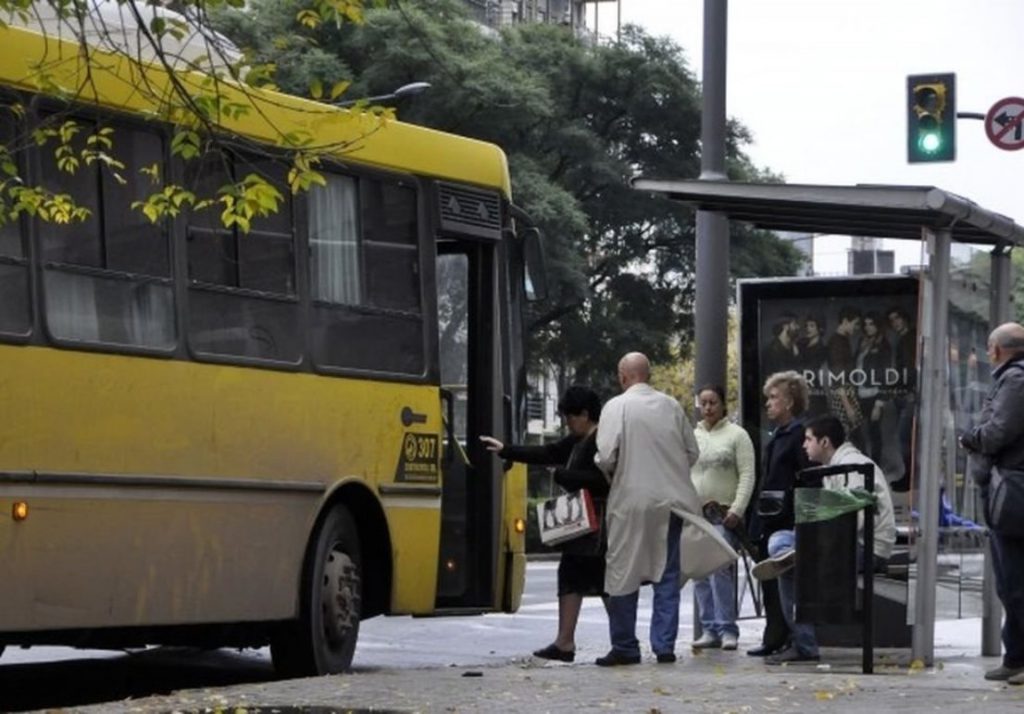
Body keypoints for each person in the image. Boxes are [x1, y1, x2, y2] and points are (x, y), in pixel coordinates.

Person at [752, 415, 896, 664]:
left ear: (825, 442)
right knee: (779, 541)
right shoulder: (835, 467)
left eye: (808, 439)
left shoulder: (852, 466)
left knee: (785, 563)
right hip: (845, 541)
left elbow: (854, 520)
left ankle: (804, 645)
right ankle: (793, 554)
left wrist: (815, 541)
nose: (804, 445)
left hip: (865, 548)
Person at [480, 385, 608, 663]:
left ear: (585, 414)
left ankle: (611, 642)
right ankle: (569, 641)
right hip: (582, 525)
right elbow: (547, 452)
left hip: (598, 523)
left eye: (570, 417)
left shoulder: (602, 440)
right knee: (579, 577)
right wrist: (507, 450)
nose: (568, 423)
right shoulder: (577, 440)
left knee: (600, 581)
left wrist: (563, 476)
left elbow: (602, 480)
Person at [594, 352, 701, 666]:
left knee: (623, 572)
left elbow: (605, 456)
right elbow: (692, 452)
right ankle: (664, 646)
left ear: (623, 376)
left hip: (631, 502)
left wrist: (613, 472)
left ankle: (625, 646)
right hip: (672, 502)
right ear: (648, 375)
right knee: (667, 574)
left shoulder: (616, 406)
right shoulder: (671, 406)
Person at [958, 322, 1024, 684]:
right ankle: (1014, 657)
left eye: (988, 348)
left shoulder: (1015, 380)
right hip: (1010, 489)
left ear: (997, 350)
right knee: (1010, 581)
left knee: (1014, 581)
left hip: (1012, 491)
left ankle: (1019, 658)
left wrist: (970, 438)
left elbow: (999, 431)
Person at [746, 371, 811, 658]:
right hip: (770, 517)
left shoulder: (797, 435)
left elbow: (806, 479)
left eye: (774, 398)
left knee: (783, 582)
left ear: (790, 402)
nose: (768, 403)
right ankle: (775, 635)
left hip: (784, 519)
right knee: (770, 584)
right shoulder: (779, 436)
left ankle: (786, 637)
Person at [690, 385, 756, 651]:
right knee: (698, 572)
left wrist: (737, 510)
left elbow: (747, 474)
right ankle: (709, 629)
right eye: (703, 403)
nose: (708, 408)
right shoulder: (692, 436)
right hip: (696, 514)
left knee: (720, 570)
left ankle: (727, 629)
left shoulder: (737, 435)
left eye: (713, 402)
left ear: (723, 404)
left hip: (723, 514)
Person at [854, 312, 891, 464]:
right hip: (859, 393)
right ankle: (862, 462)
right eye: (866, 324)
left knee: (873, 431)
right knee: (855, 430)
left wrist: (879, 403)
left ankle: (875, 465)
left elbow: (886, 375)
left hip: (874, 395)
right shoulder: (862, 343)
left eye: (871, 324)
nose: (868, 327)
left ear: (878, 325)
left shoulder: (883, 345)